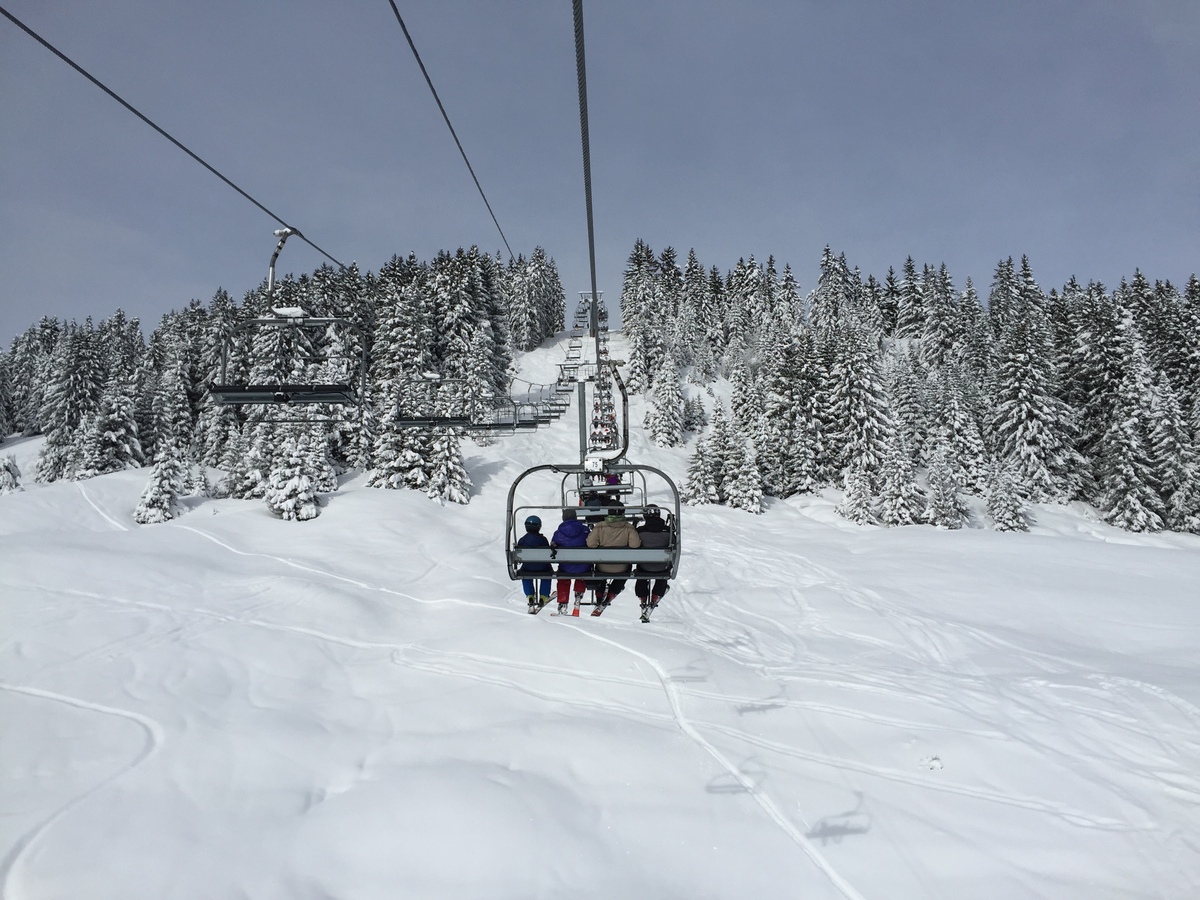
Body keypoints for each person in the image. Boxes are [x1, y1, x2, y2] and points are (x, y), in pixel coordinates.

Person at [585, 504, 641, 613]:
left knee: (599, 573)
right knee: (624, 572)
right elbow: (635, 545)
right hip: (621, 567)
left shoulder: (600, 526)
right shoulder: (628, 527)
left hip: (602, 566)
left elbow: (591, 544)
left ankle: (599, 596)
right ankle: (610, 595)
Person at [550, 508, 591, 614]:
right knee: (582, 573)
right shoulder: (585, 530)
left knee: (563, 576)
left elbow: (553, 545)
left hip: (566, 567)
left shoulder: (558, 533)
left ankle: (563, 603)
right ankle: (578, 596)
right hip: (583, 566)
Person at [634, 505, 672, 619]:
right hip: (662, 567)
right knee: (663, 574)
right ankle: (656, 596)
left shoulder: (640, 531)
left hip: (644, 567)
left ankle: (643, 598)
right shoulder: (668, 531)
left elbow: (634, 546)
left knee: (641, 571)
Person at [516, 515, 552, 613]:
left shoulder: (522, 540)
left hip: (528, 567)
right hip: (542, 567)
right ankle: (543, 596)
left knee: (525, 573)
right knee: (548, 572)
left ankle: (530, 596)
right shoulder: (543, 540)